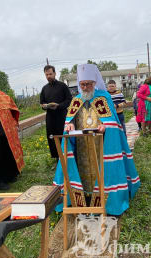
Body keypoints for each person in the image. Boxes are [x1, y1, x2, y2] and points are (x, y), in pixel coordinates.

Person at [53, 63, 140, 216]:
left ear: (94, 83)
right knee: (83, 170)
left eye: (87, 84)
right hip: (81, 145)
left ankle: (104, 199)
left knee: (100, 169)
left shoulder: (104, 97)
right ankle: (85, 196)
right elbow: (70, 120)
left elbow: (112, 121)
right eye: (82, 84)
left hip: (101, 144)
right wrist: (70, 125)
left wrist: (105, 126)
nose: (85, 87)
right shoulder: (76, 100)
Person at [40, 65, 72, 161]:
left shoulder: (62, 86)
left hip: (62, 115)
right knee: (52, 137)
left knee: (62, 135)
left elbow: (69, 100)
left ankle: (66, 156)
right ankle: (57, 158)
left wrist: (59, 105)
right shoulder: (44, 88)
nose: (48, 76)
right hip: (50, 117)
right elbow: (42, 102)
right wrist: (45, 106)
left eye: (50, 74)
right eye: (46, 75)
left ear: (55, 73)